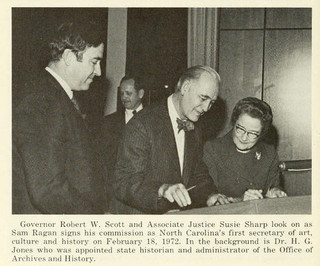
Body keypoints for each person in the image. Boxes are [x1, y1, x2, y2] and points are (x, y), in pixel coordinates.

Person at [12, 22, 106, 214]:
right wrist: (94, 219)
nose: (99, 72)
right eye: (94, 62)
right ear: (69, 57)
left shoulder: (54, 95)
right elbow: (47, 189)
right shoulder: (43, 100)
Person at [111, 65, 221, 214]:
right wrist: (162, 190)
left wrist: (211, 196)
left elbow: (197, 173)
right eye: (203, 98)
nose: (207, 108)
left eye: (212, 102)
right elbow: (124, 183)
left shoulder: (195, 127)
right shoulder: (142, 124)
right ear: (185, 87)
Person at [203, 97, 287, 206]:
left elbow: (273, 186)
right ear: (234, 122)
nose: (244, 137)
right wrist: (241, 200)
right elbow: (209, 198)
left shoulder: (269, 153)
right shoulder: (213, 149)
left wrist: (275, 192)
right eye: (240, 129)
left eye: (252, 133)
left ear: (262, 134)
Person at [100, 74, 145, 206]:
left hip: (143, 190)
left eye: (128, 93)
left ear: (141, 93)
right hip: (115, 192)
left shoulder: (153, 120)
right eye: (121, 93)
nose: (124, 97)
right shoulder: (108, 122)